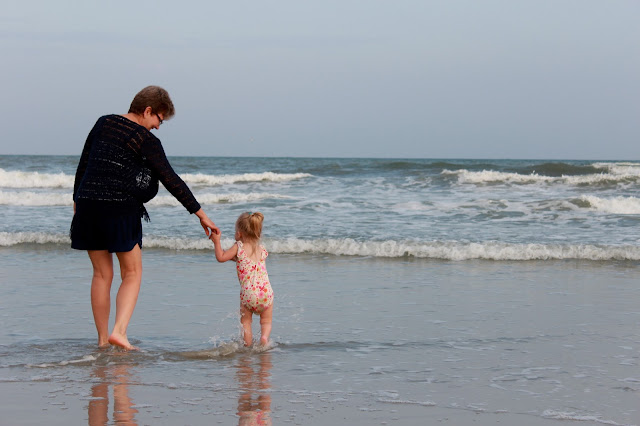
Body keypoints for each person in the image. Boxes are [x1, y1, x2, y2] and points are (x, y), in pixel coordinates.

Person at [71, 85, 219, 350]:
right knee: (132, 273)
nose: (158, 126)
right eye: (159, 119)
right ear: (148, 110)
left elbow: (84, 163)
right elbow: (171, 179)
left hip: (88, 204)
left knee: (101, 275)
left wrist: (76, 199)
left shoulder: (103, 122)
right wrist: (201, 214)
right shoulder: (145, 139)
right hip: (120, 208)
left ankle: (103, 341)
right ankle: (119, 332)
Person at [210, 212, 274, 347]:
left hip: (249, 294)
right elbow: (244, 260)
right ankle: (264, 338)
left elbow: (221, 257)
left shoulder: (238, 247)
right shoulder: (262, 249)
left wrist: (216, 241)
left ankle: (248, 346)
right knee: (266, 322)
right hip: (266, 293)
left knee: (246, 322)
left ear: (239, 234)